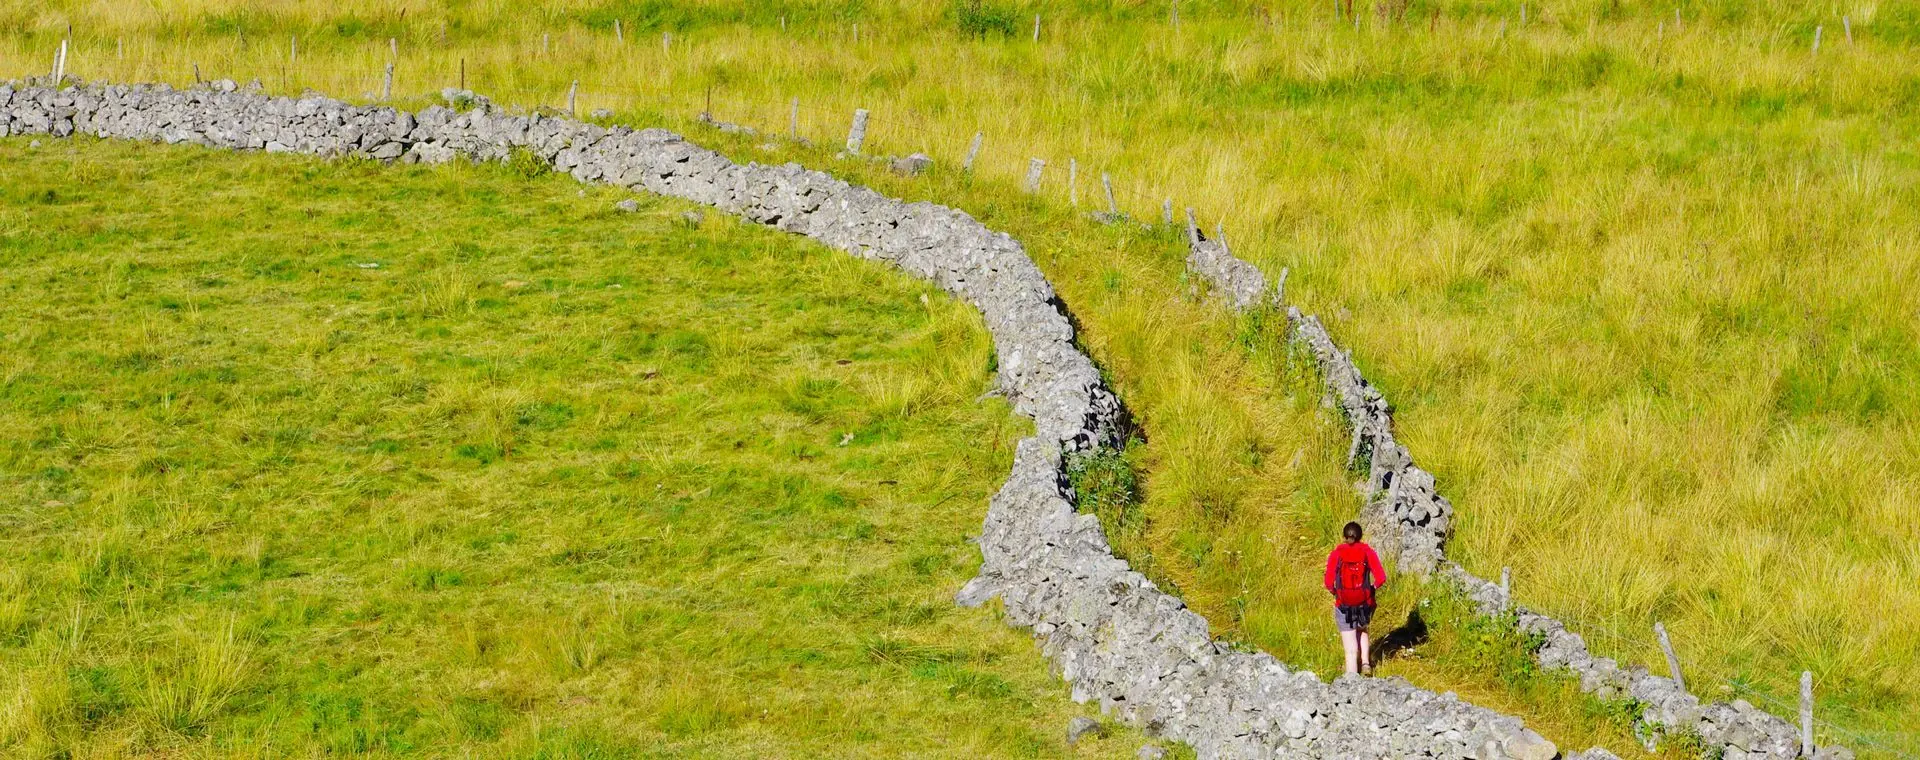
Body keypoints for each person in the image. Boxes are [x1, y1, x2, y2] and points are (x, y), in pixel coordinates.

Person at [1324, 521, 1386, 676]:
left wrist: (1336, 592)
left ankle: (1352, 679)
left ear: (1344, 536)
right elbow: (1381, 578)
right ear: (1360, 536)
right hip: (1365, 603)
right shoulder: (1367, 552)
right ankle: (1365, 663)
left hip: (1343, 604)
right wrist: (1371, 590)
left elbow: (1328, 582)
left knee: (1350, 650)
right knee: (1362, 628)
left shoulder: (1336, 554)